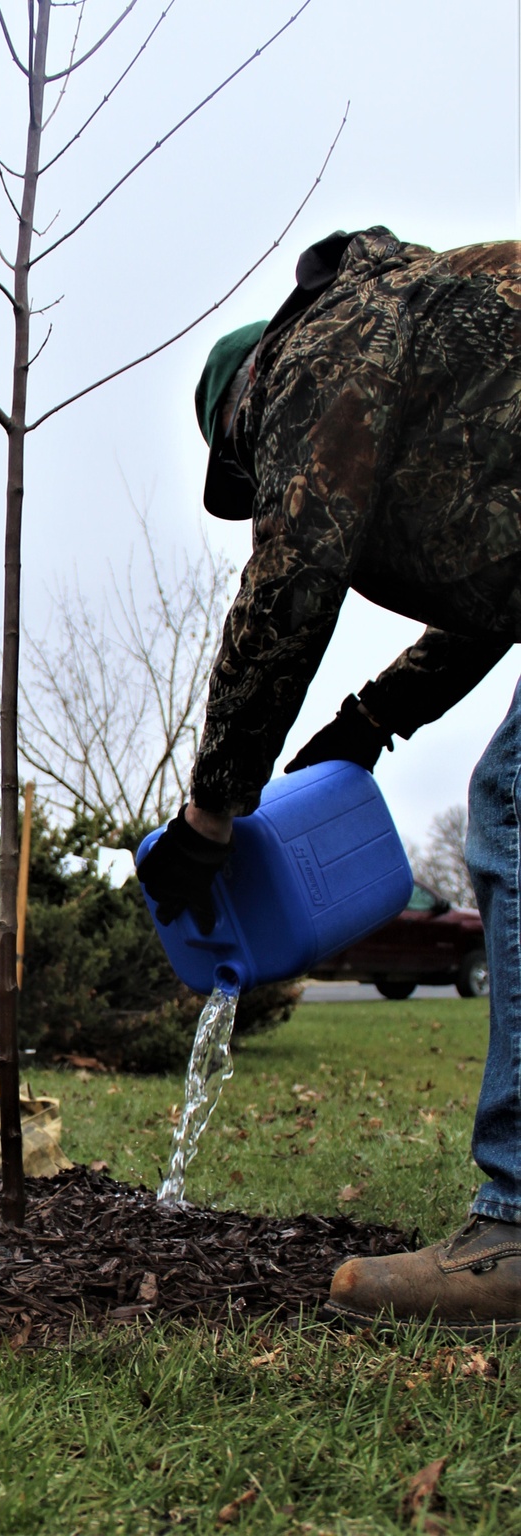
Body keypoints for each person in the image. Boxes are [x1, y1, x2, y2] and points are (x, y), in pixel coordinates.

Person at [137, 227, 521, 1333]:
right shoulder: (434, 357)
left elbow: (289, 585)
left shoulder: (322, 351)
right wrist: (367, 724)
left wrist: (211, 814)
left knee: (509, 803)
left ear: (244, 406)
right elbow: (498, 582)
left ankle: (512, 1227)